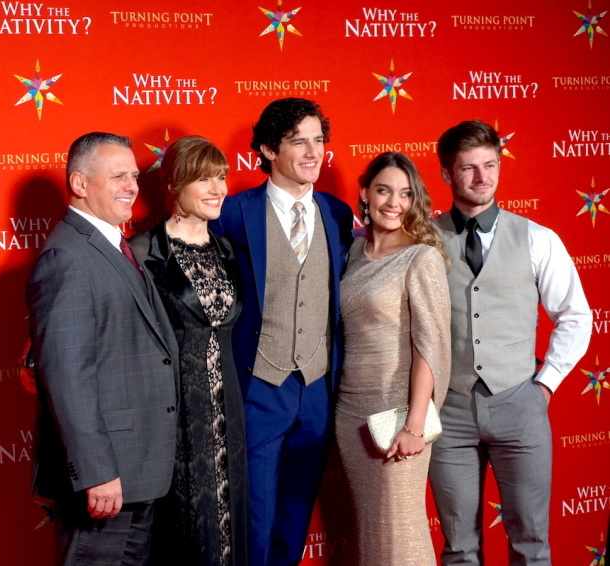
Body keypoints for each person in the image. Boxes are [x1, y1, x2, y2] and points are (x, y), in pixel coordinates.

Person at [429, 120, 592, 565]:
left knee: (531, 541)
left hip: (520, 403)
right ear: (447, 175)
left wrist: (545, 385)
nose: (482, 178)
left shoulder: (538, 238)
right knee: (459, 547)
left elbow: (576, 316)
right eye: (468, 168)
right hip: (448, 411)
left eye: (490, 165)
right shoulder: (423, 240)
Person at [210, 98, 354, 566]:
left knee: (293, 521)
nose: (313, 152)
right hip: (257, 388)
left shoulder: (337, 213)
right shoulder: (233, 213)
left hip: (316, 390)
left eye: (318, 140)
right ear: (269, 149)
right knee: (253, 518)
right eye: (299, 142)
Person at [26, 132, 179, 566]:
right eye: (117, 176)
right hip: (107, 476)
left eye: (133, 174)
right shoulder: (67, 258)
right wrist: (97, 472)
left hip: (138, 465)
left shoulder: (113, 245)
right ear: (79, 184)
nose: (132, 185)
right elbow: (67, 378)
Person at [131, 135, 248, 566]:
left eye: (222, 176)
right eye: (204, 179)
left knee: (230, 531)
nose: (219, 188)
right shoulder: (144, 253)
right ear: (176, 184)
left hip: (228, 414)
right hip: (175, 418)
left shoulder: (229, 252)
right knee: (184, 533)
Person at [335, 152, 450, 565]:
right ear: (365, 193)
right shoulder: (352, 252)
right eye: (384, 190)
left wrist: (415, 425)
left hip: (399, 414)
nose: (393, 202)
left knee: (402, 531)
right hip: (351, 414)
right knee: (373, 531)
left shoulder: (421, 257)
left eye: (404, 194)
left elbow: (430, 346)